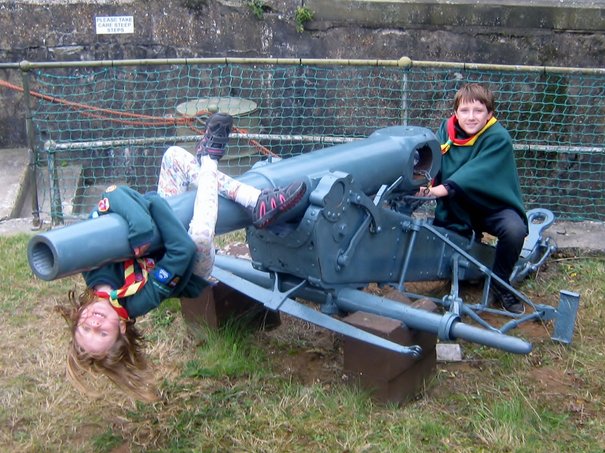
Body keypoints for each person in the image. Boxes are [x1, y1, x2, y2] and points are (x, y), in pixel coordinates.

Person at [55, 113, 307, 401]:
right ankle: (212, 160)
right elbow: (182, 251)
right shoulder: (137, 300)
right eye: (101, 334)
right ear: (122, 328)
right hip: (194, 269)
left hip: (161, 237)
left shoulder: (91, 269)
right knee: (199, 237)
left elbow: (114, 195)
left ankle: (256, 202)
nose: (95, 324)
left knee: (174, 156)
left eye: (85, 328)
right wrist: (153, 206)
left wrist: (141, 225)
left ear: (77, 319)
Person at [418, 83, 528, 314]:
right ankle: (463, 272)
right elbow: (434, 158)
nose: (471, 117)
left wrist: (442, 189)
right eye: (465, 111)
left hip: (491, 206)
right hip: (459, 204)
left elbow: (478, 172)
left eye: (478, 111)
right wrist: (424, 184)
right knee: (450, 244)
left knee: (514, 230)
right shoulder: (446, 130)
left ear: (489, 114)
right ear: (455, 113)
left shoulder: (498, 137)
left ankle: (501, 283)